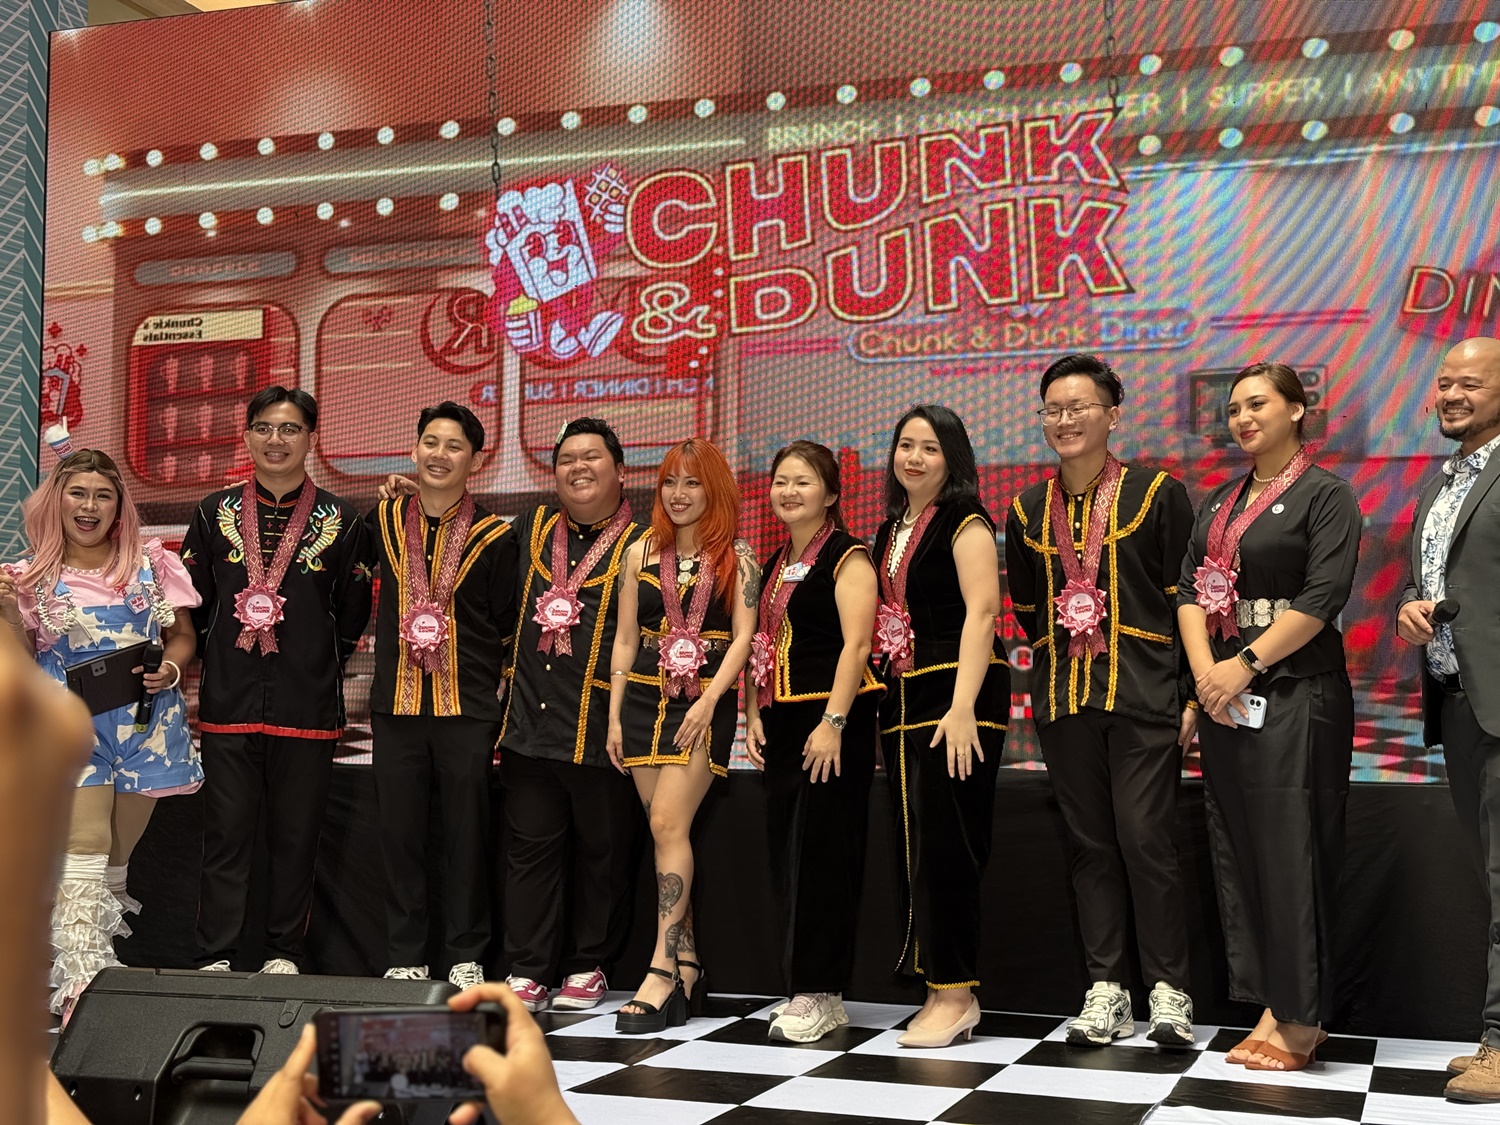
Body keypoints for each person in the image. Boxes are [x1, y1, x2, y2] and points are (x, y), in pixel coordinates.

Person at [1005, 355, 1198, 1048]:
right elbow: (1028, 606)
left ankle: (1169, 990)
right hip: (1064, 697)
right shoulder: (1027, 508)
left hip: (1144, 692)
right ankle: (1107, 988)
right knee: (1090, 846)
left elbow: (1185, 598)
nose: (1065, 420)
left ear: (1113, 414)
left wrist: (1189, 695)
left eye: (1079, 406)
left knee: (1145, 839)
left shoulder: (1158, 492)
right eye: (1053, 409)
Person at [1177, 361, 1361, 1072]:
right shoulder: (1220, 501)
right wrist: (1207, 678)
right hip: (1227, 701)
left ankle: (1302, 1017)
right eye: (1233, 409)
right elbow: (1189, 593)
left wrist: (1243, 665)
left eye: (1257, 404)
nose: (1243, 418)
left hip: (1296, 695)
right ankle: (1274, 1003)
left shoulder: (1326, 494)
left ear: (1297, 409)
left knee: (1294, 853)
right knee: (1242, 850)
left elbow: (1321, 600)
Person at [0, 449, 202, 1022]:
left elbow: (182, 635)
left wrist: (172, 668)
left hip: (144, 725)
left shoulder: (152, 564)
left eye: (102, 495)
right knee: (83, 847)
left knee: (115, 858)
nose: (89, 506)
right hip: (69, 726)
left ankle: (92, 967)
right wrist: (9, 615)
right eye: (78, 493)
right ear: (56, 500)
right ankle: (80, 987)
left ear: (118, 506)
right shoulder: (23, 577)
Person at [181, 386, 373, 975]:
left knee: (297, 840)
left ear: (311, 438)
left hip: (306, 705)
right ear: (246, 436)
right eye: (264, 427)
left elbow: (353, 612)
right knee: (225, 839)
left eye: (290, 429)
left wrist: (313, 660)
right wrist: (222, 661)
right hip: (228, 703)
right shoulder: (212, 512)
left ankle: (283, 953)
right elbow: (193, 604)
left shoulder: (343, 520)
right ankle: (215, 954)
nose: (276, 440)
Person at [606, 439, 756, 1033]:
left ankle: (661, 969)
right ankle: (689, 962)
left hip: (702, 704)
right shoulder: (639, 550)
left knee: (668, 823)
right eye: (670, 481)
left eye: (692, 482)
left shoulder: (737, 556)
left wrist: (712, 701)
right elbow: (624, 638)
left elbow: (744, 637)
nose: (678, 493)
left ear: (713, 489)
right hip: (642, 700)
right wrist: (614, 715)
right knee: (663, 831)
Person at [367, 402, 518, 988]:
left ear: (475, 460)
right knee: (398, 836)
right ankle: (405, 954)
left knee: (467, 836)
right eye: (430, 442)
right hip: (397, 707)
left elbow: (505, 622)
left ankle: (465, 954)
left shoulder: (495, 535)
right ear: (414, 450)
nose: (439, 454)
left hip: (467, 709)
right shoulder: (382, 519)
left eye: (454, 446)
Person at [873, 405, 1009, 1049]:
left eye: (930, 447)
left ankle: (956, 994)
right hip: (905, 697)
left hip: (960, 693)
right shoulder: (889, 528)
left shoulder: (966, 519)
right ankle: (935, 986)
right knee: (915, 846)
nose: (915, 458)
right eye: (906, 445)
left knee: (950, 845)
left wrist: (962, 707)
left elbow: (983, 613)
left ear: (952, 457)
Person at [498, 418, 644, 1012]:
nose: (578, 468)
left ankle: (589, 963)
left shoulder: (644, 541)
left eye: (592, 457)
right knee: (529, 853)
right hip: (529, 728)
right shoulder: (531, 527)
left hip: (603, 728)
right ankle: (529, 968)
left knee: (602, 854)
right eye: (565, 459)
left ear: (620, 470)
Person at [743, 441, 880, 1043]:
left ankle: (820, 991)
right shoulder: (776, 561)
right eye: (781, 481)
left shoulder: (848, 555)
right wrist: (755, 712)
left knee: (826, 856)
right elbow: (762, 645)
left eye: (803, 481)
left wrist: (835, 722)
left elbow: (857, 645)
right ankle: (809, 986)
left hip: (833, 722)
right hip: (785, 721)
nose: (789, 491)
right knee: (789, 854)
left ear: (831, 494)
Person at [1395, 337, 1500, 1103]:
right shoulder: (1443, 479)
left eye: (1472, 383)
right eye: (1445, 382)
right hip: (1460, 703)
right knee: (1491, 878)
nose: (1453, 394)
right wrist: (1410, 603)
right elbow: (1429, 575)